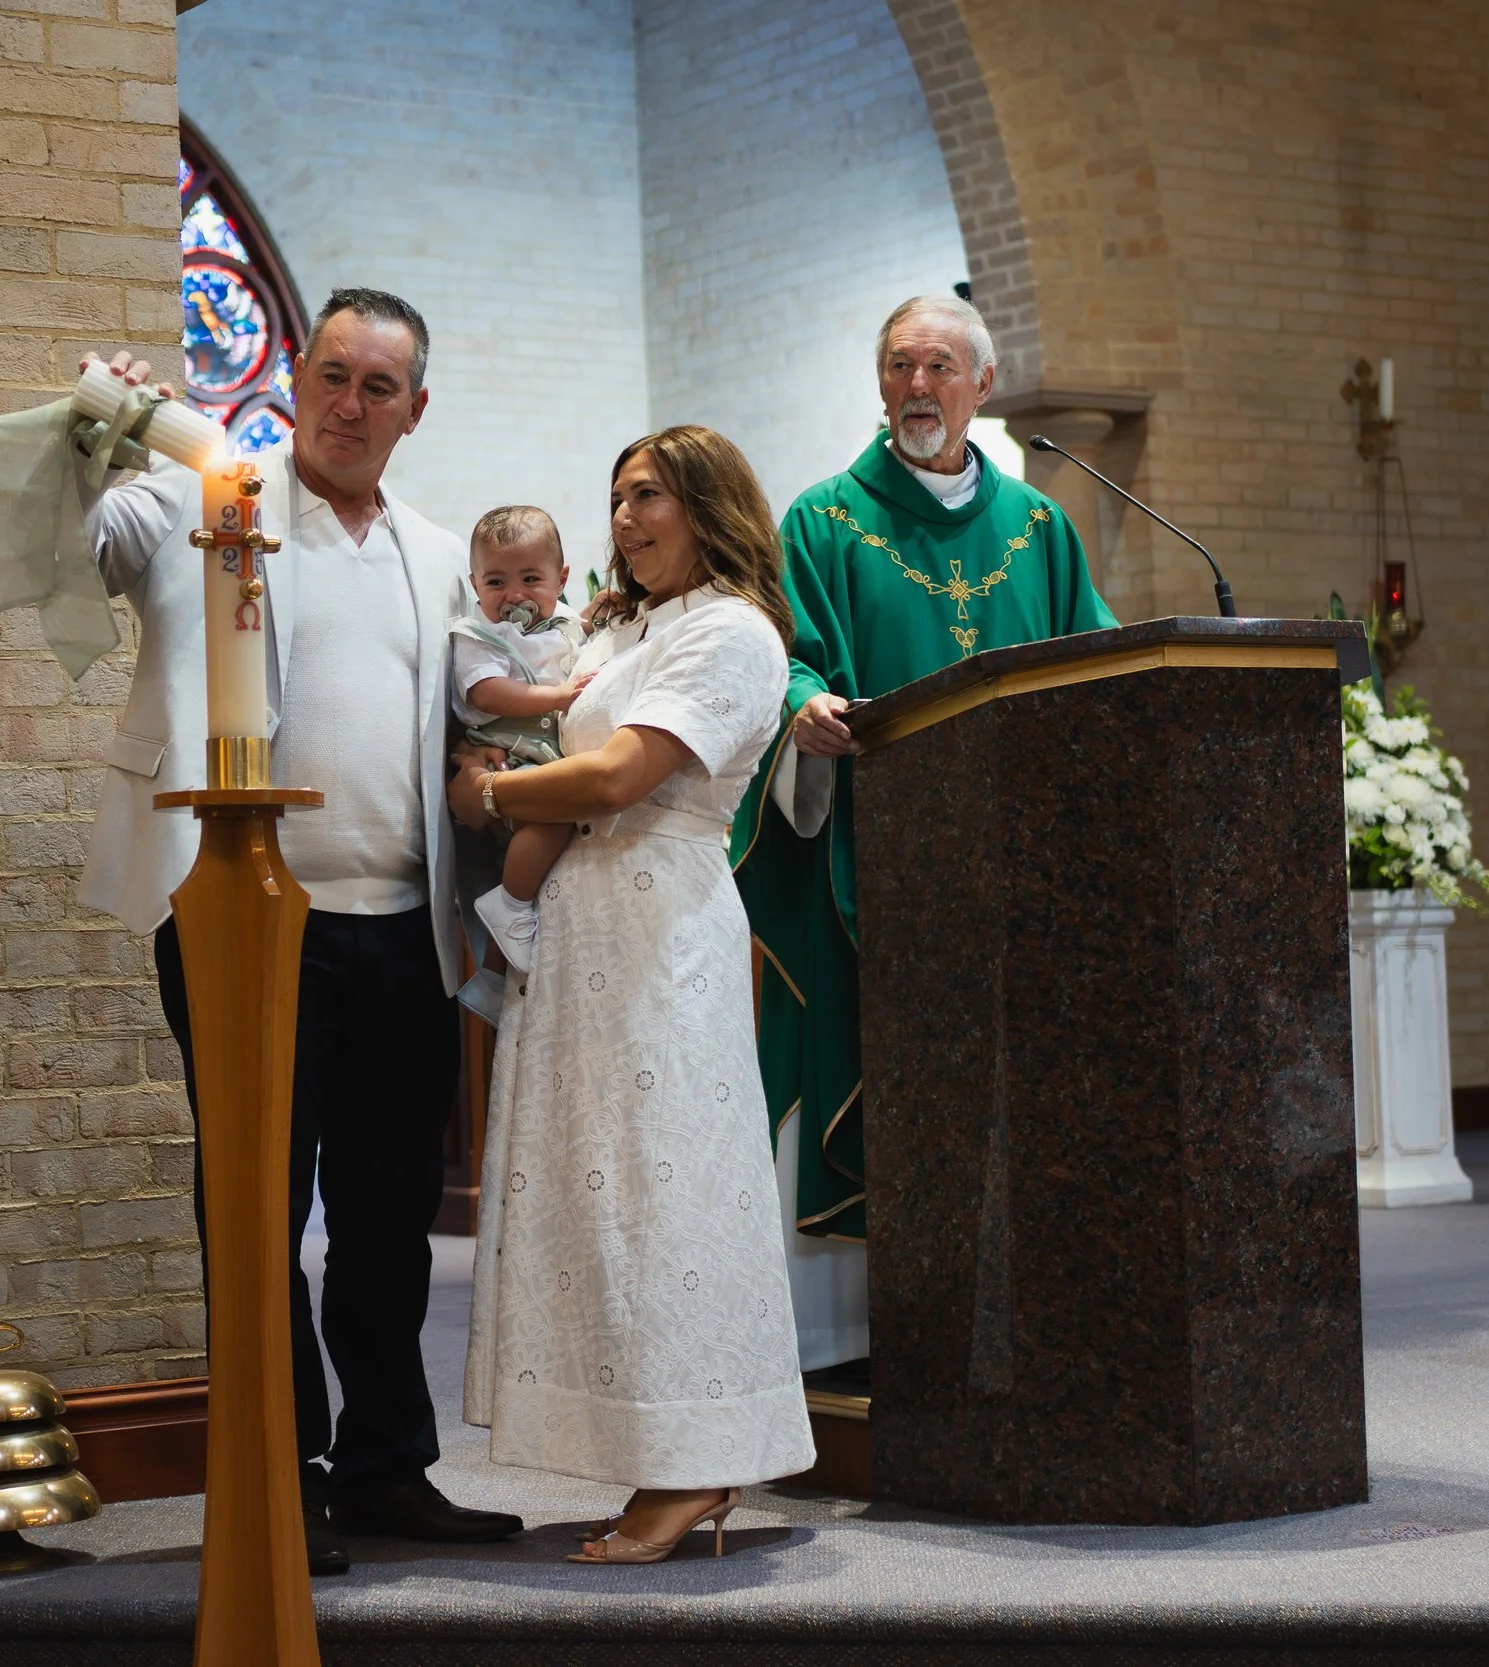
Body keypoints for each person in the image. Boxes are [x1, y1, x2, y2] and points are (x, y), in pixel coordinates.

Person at [36, 289, 523, 1573]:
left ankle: (383, 1467)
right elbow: (82, 549)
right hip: (246, 918)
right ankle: (275, 1470)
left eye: (379, 388)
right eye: (332, 375)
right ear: (294, 379)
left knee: (385, 1216)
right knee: (257, 1212)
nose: (349, 406)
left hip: (402, 928)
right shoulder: (212, 496)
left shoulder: (430, 550)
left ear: (415, 410)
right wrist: (96, 437)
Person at [731, 295, 1119, 1369]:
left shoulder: (1040, 529)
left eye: (939, 367)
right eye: (899, 365)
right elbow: (788, 655)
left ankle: (1006, 1320)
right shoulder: (821, 519)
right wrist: (801, 706)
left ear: (980, 388)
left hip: (1006, 868)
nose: (915, 386)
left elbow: (1091, 670)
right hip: (873, 856)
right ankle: (850, 1337)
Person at [452, 426, 814, 1565]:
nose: (623, 518)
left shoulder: (733, 630)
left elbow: (618, 775)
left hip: (665, 926)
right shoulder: (630, 627)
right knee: (601, 1193)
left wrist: (495, 799)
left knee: (668, 1193)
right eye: (614, 498)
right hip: (586, 923)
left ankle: (696, 1465)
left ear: (708, 504)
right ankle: (652, 1447)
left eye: (648, 495)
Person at [450, 504, 592, 972]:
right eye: (495, 582)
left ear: (561, 578)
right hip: (509, 749)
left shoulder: (566, 622)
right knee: (552, 819)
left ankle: (506, 939)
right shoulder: (478, 633)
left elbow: (576, 643)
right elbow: (487, 692)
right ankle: (510, 906)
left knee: (552, 830)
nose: (514, 594)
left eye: (531, 579)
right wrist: (555, 697)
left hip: (548, 750)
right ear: (475, 585)